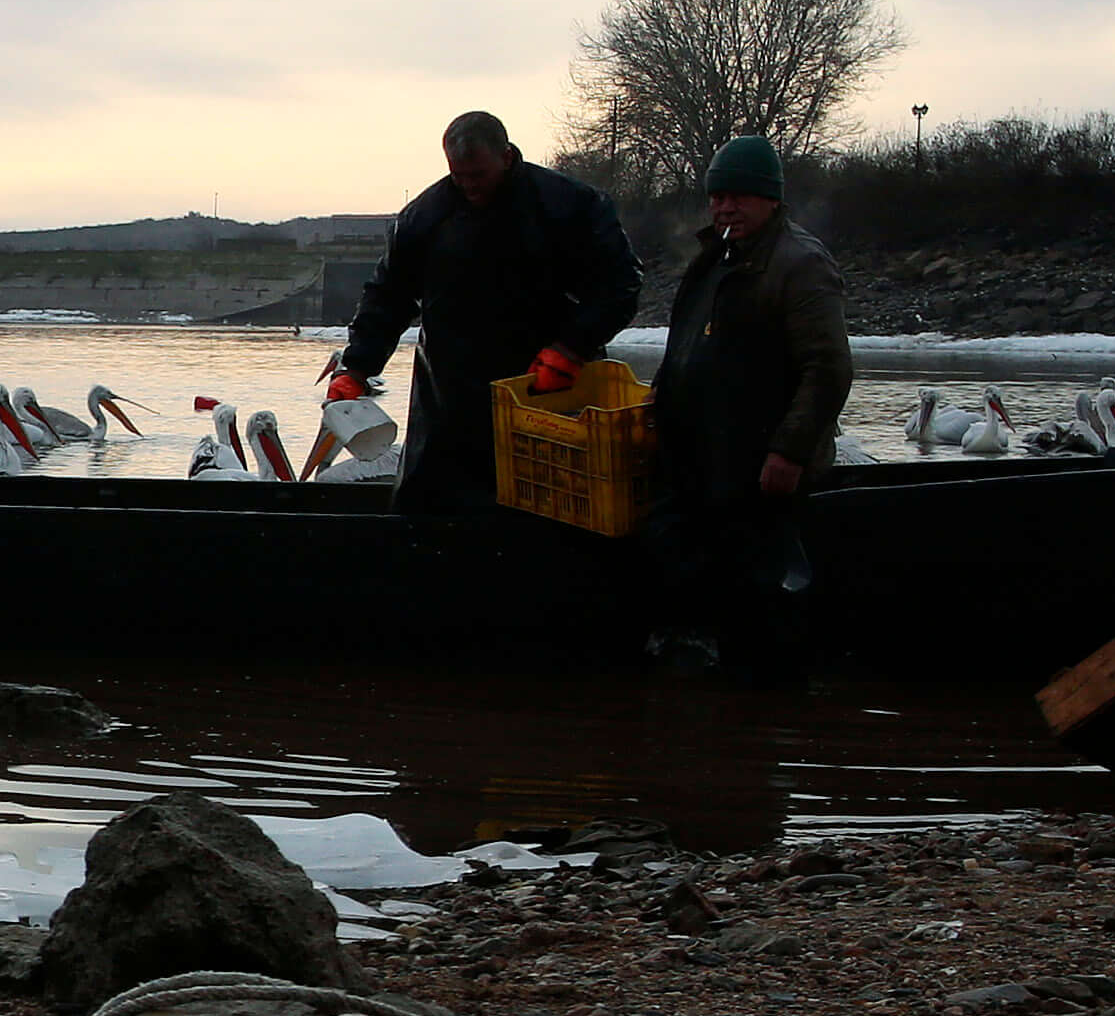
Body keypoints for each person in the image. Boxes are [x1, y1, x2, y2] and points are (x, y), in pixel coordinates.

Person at [323, 110, 641, 511]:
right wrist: (357, 367)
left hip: (549, 386)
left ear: (506, 157)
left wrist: (573, 347)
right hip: (450, 395)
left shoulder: (570, 205)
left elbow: (620, 284)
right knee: (434, 505)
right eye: (459, 176)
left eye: (478, 175)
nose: (469, 186)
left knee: (554, 506)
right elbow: (387, 297)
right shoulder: (425, 217)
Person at [648, 133, 854, 679]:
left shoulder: (800, 264)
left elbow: (828, 368)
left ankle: (768, 697)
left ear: (771, 199)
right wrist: (657, 409)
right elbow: (685, 351)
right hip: (701, 464)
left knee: (761, 593)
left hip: (760, 469)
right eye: (717, 197)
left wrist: (789, 451)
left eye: (738, 196)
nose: (724, 208)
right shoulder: (715, 259)